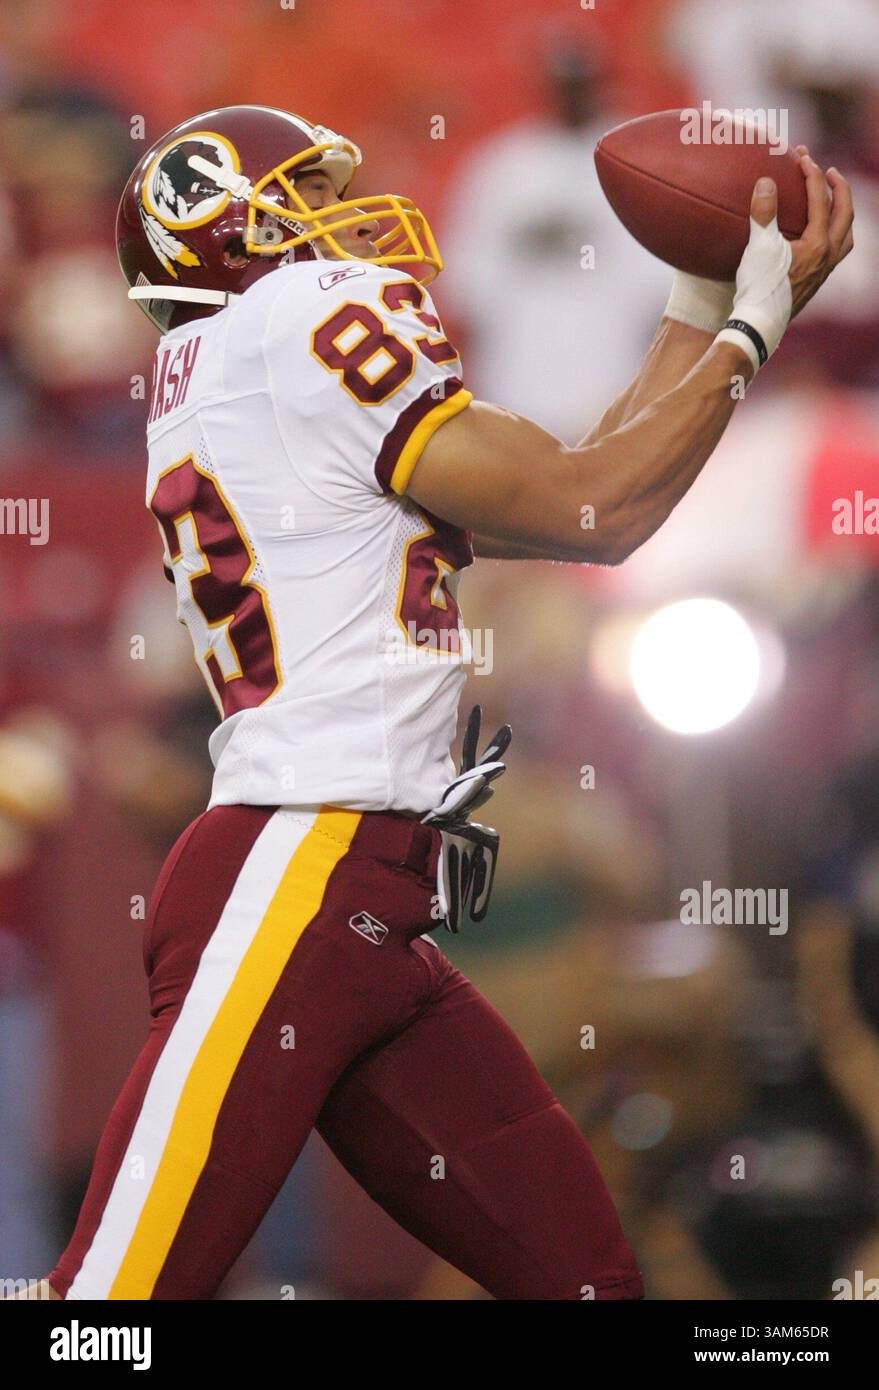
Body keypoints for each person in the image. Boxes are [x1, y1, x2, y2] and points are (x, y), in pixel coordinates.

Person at [14, 103, 851, 1301]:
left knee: (591, 1284)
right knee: (105, 1311)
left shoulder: (237, 367)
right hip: (292, 876)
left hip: (361, 899)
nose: (335, 223)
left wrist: (698, 305)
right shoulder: (298, 323)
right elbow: (599, 509)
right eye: (299, 198)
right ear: (224, 231)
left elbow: (579, 492)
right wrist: (754, 326)